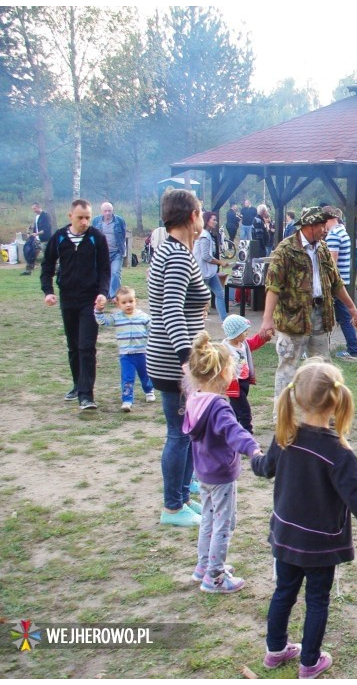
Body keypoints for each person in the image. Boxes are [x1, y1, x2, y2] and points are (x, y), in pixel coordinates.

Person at [251, 360, 357, 680]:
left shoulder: (285, 436)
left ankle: (275, 650)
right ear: (337, 400)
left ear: (297, 398)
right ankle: (308, 662)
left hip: (285, 536)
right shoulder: (339, 453)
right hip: (319, 546)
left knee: (284, 591)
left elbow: (264, 467)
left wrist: (252, 455)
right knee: (316, 600)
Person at [146, 189, 210, 527]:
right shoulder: (177, 256)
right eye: (200, 211)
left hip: (170, 355)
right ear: (191, 216)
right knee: (178, 433)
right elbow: (171, 311)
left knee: (186, 431)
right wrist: (187, 363)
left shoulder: (171, 251)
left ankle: (183, 497)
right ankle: (172, 507)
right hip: (173, 361)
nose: (203, 216)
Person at [183, 331, 262, 594]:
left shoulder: (195, 397)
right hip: (220, 475)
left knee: (208, 519)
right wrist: (253, 449)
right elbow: (234, 432)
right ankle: (214, 577)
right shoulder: (218, 406)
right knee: (224, 524)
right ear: (222, 373)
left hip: (203, 472)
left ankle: (203, 566)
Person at [260, 206, 357, 401]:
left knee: (323, 367)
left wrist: (350, 306)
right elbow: (272, 286)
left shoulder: (322, 248)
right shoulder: (286, 249)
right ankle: (282, 419)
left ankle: (323, 416)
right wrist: (266, 320)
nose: (325, 229)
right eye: (322, 226)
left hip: (319, 315)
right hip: (292, 318)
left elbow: (336, 282)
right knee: (288, 367)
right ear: (310, 226)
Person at [40, 199, 111, 411]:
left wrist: (103, 293)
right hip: (67, 297)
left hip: (90, 299)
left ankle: (86, 395)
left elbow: (105, 269)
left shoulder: (96, 238)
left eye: (88, 217)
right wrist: (48, 291)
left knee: (86, 346)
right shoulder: (60, 237)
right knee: (73, 346)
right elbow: (47, 265)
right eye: (80, 217)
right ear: (70, 216)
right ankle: (77, 384)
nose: (84, 221)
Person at [94, 285, 155, 412]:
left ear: (135, 301)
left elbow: (153, 330)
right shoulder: (117, 317)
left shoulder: (143, 317)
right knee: (127, 378)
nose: (128, 305)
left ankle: (149, 390)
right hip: (126, 355)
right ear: (118, 304)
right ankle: (127, 400)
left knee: (145, 375)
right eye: (124, 302)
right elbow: (103, 322)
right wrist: (98, 311)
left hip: (142, 353)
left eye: (131, 301)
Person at [221, 314, 272, 434]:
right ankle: (247, 434)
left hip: (244, 381)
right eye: (244, 331)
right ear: (235, 333)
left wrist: (264, 337)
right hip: (234, 384)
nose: (247, 333)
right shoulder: (224, 348)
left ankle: (228, 432)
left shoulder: (244, 344)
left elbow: (254, 342)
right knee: (245, 411)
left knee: (235, 411)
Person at [326, 215, 357, 362]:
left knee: (324, 316)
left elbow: (331, 263)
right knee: (344, 317)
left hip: (334, 283)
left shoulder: (333, 235)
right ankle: (353, 349)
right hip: (343, 279)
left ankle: (353, 349)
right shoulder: (343, 232)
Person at [194, 211, 229, 321]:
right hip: (202, 272)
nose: (215, 222)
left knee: (220, 293)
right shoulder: (204, 235)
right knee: (200, 297)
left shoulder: (207, 234)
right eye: (213, 219)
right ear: (207, 220)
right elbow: (206, 256)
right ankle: (196, 319)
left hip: (210, 272)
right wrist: (220, 262)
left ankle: (224, 320)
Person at [89, 202, 127, 299]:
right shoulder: (96, 221)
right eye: (105, 211)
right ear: (102, 212)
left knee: (115, 273)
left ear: (112, 211)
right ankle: (101, 294)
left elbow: (122, 235)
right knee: (100, 273)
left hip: (116, 252)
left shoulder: (119, 221)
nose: (107, 213)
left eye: (109, 211)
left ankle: (114, 296)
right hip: (102, 253)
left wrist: (122, 249)